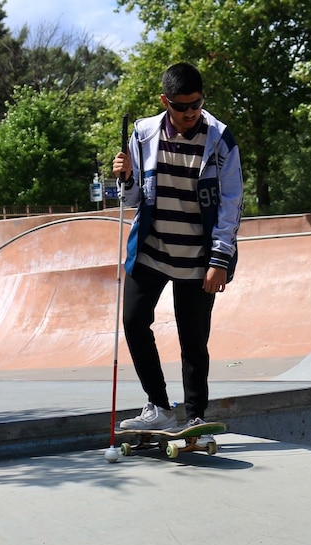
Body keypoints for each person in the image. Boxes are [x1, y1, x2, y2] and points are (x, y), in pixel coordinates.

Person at [111, 62, 244, 444]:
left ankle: (195, 415)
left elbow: (232, 202)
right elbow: (134, 199)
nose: (190, 113)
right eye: (181, 106)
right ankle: (159, 407)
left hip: (198, 257)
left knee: (193, 338)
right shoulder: (143, 133)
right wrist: (126, 176)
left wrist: (220, 259)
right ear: (164, 102)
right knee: (135, 322)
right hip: (151, 249)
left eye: (196, 104)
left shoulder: (220, 138)